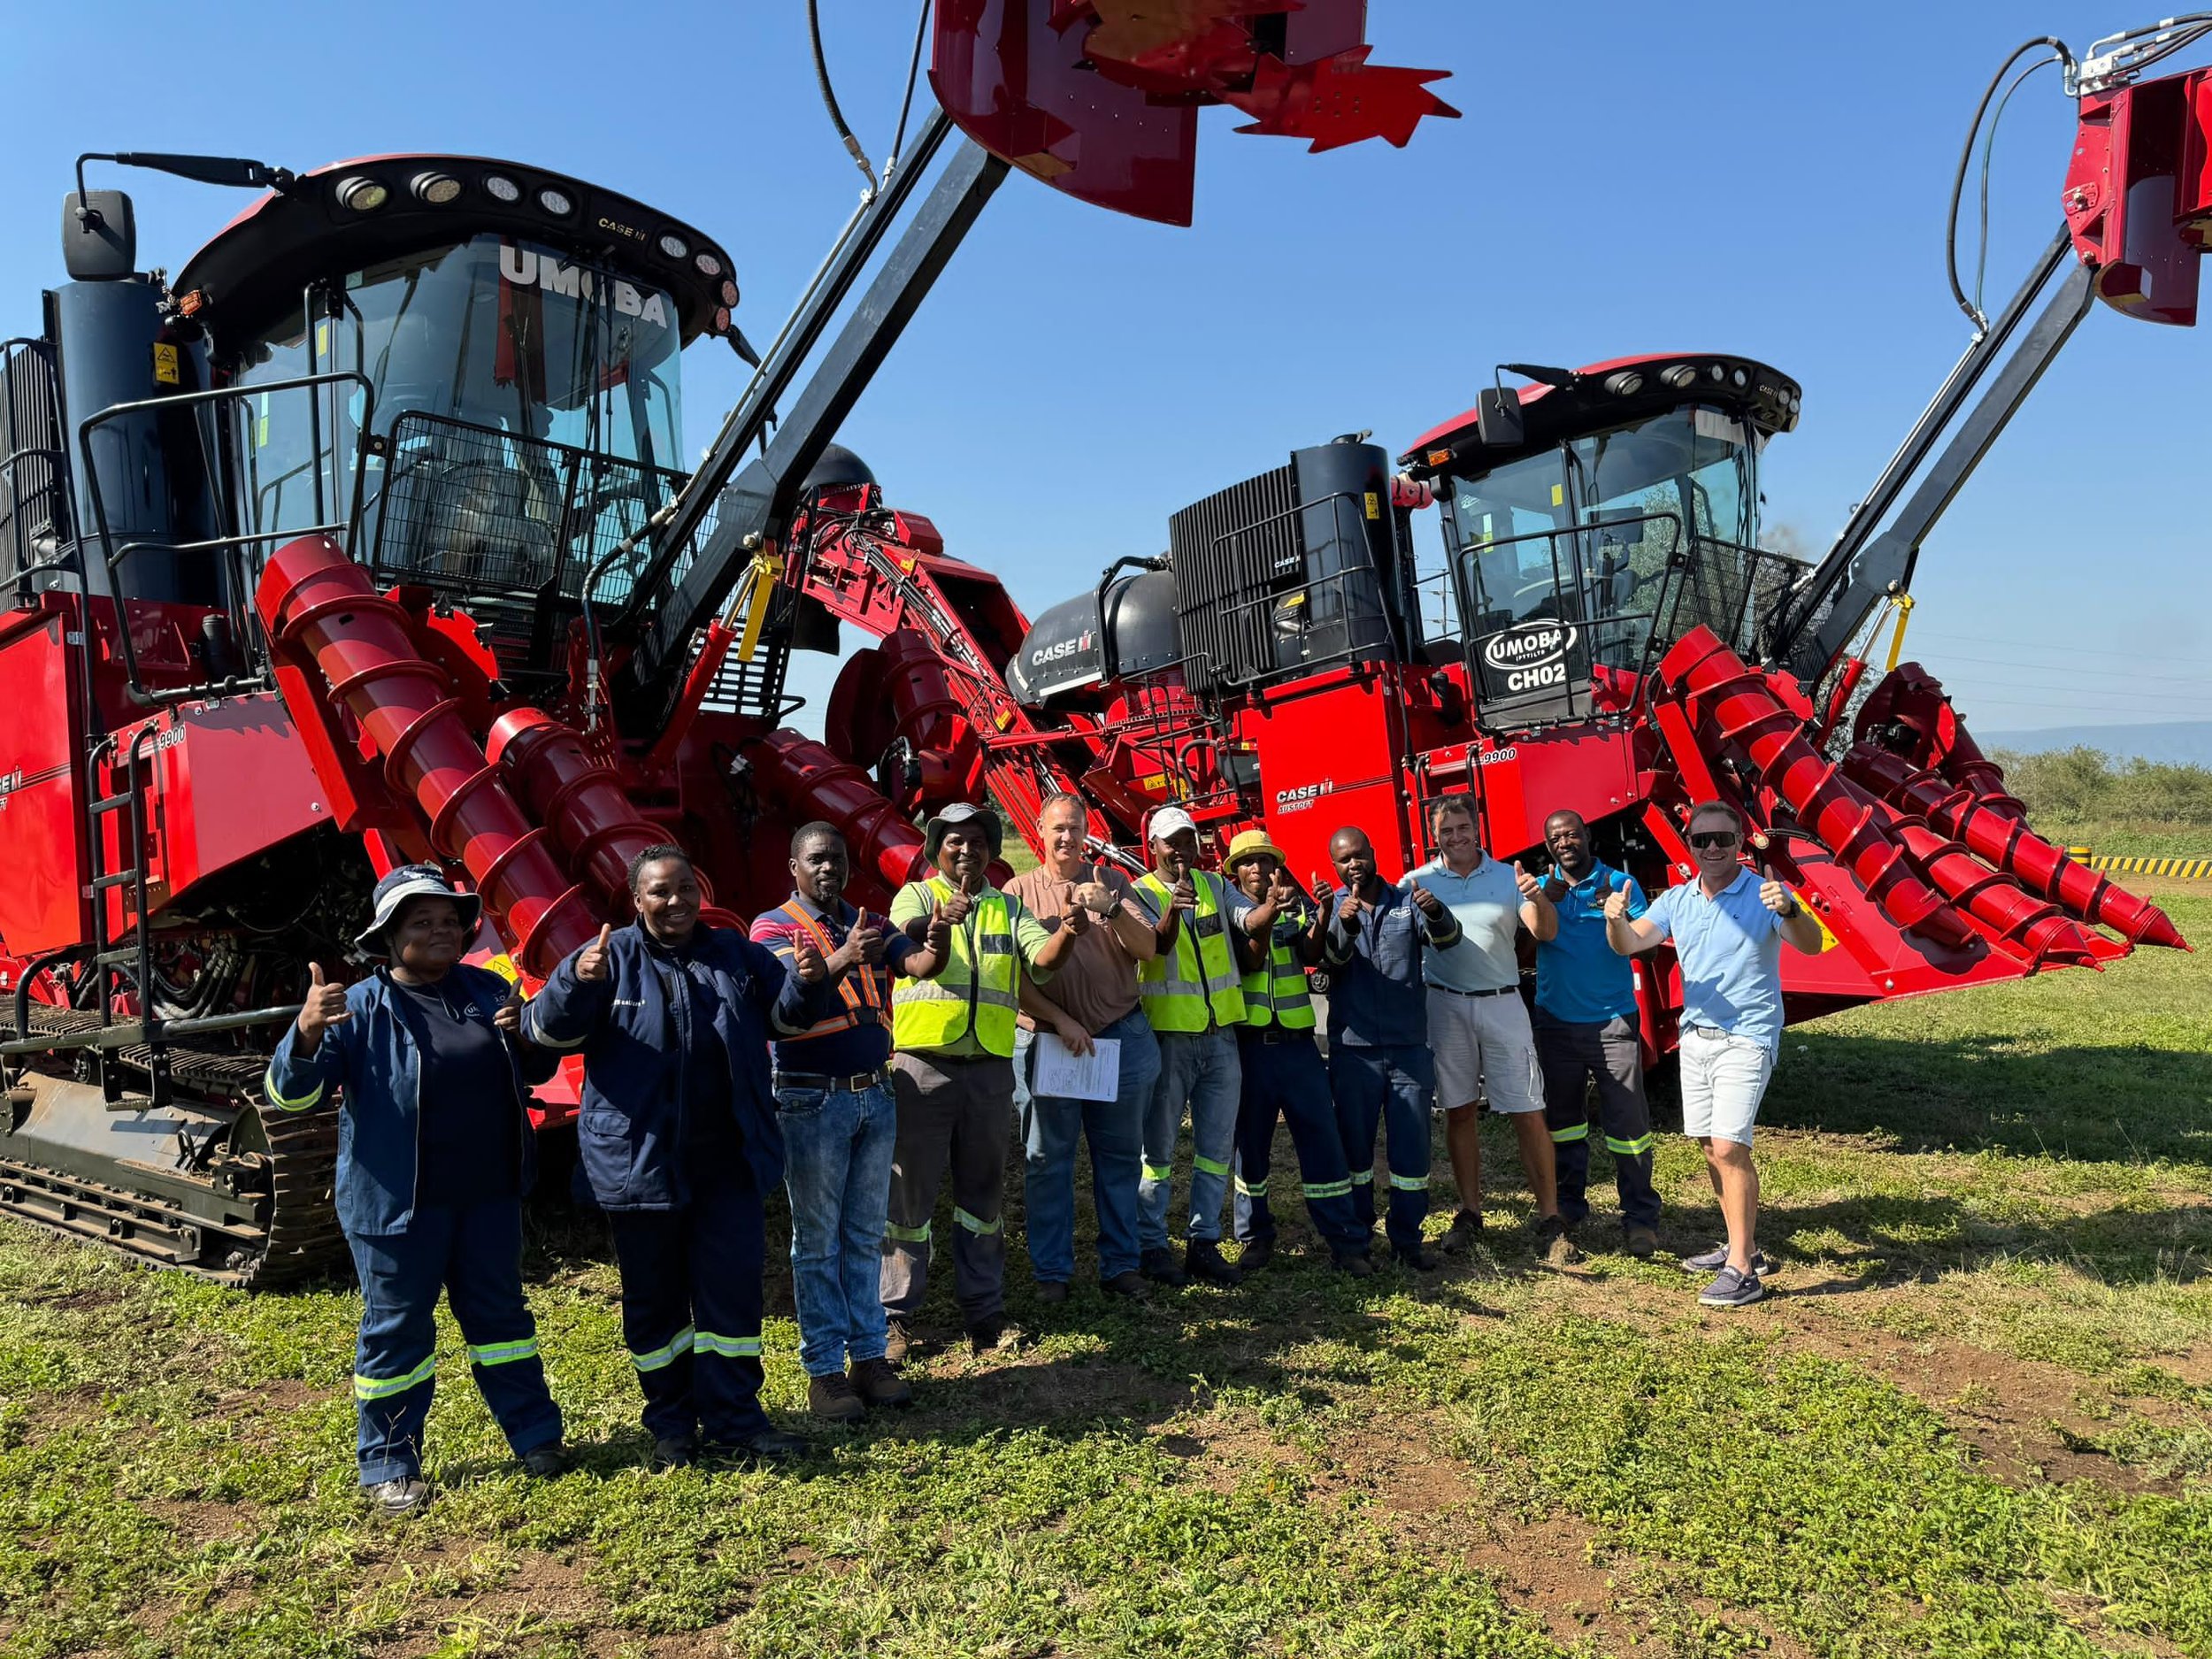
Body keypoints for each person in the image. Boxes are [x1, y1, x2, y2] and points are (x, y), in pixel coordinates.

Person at [265, 864, 565, 1517]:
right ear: (389, 935)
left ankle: (537, 1437)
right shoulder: (359, 1007)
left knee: (503, 1322)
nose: (441, 929)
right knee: (398, 1330)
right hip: (397, 1205)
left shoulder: (488, 990)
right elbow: (291, 1097)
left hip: (487, 1196)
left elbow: (538, 1066)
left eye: (450, 919)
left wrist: (526, 1030)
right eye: (421, 920)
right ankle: (389, 1463)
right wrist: (307, 1031)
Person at [527, 845, 832, 1468]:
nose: (676, 902)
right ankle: (671, 1425)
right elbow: (544, 1034)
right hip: (641, 1166)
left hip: (728, 1162)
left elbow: (785, 1018)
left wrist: (806, 981)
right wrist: (572, 984)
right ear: (637, 901)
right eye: (660, 892)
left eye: (686, 889)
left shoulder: (733, 954)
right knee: (655, 1303)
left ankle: (737, 1421)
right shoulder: (606, 958)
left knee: (732, 1301)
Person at [751, 823, 950, 1423]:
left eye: (836, 858)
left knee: (865, 1234)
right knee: (817, 1242)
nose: (828, 868)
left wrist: (937, 942)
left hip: (874, 1094)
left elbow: (915, 962)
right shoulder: (772, 926)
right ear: (794, 866)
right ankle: (823, 1372)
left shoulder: (866, 920)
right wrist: (841, 957)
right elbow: (790, 1002)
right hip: (812, 1100)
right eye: (816, 859)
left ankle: (868, 1356)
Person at [1604, 801, 1826, 1307]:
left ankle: (1743, 1271)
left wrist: (1790, 909)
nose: (1712, 849)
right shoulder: (1678, 900)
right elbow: (1629, 944)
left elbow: (1812, 946)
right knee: (1709, 1146)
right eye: (1701, 840)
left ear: (1741, 841)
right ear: (1689, 845)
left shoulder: (1767, 893)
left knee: (1729, 1147)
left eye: (1723, 839)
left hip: (1748, 1036)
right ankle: (1741, 1243)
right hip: (1697, 1037)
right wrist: (1614, 921)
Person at [884, 802, 1077, 1356]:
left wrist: (1068, 928)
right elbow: (908, 937)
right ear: (935, 848)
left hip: (989, 1072)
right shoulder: (917, 896)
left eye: (977, 841)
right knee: (908, 1199)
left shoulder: (1006, 907)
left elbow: (1042, 961)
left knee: (982, 1198)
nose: (966, 850)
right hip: (923, 1069)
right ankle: (894, 1316)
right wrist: (941, 922)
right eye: (953, 841)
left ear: (992, 850)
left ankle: (985, 1312)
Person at [1006, 793, 1162, 1304]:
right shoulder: (1018, 891)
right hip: (1051, 1042)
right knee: (1048, 1159)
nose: (1067, 838)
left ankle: (1120, 1264)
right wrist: (1060, 1018)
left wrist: (1112, 908)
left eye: (1075, 828)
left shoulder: (1113, 882)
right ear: (1040, 832)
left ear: (1086, 832)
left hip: (1118, 1036)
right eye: (1057, 829)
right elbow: (1011, 978)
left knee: (1118, 1157)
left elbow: (1149, 950)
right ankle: (1052, 1272)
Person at [1401, 795, 1569, 1263]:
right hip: (1446, 1006)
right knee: (1459, 1112)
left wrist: (1534, 896)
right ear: (1434, 835)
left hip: (1502, 1002)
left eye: (1462, 828)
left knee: (1527, 1109)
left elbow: (1546, 932)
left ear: (1477, 828)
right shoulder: (1415, 881)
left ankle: (1550, 1216)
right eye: (1445, 830)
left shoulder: (1506, 876)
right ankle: (1470, 1211)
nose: (1455, 837)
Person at [1128, 805, 1278, 1288]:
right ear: (1154, 847)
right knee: (1159, 1150)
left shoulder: (1215, 886)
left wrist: (1270, 908)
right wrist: (1174, 904)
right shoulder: (1138, 894)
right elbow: (1156, 947)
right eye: (1171, 842)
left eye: (1188, 840)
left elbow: (1247, 919)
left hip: (1221, 1040)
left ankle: (1203, 1242)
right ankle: (1152, 1244)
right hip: (1170, 1039)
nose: (1181, 850)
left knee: (1215, 1148)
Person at [1222, 830, 1373, 1277]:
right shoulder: (1229, 910)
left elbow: (1311, 953)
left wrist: (1322, 912)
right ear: (1234, 872)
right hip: (1250, 1048)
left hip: (1297, 1047)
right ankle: (1255, 1237)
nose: (1258, 869)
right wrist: (1271, 910)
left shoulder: (1297, 903)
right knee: (1250, 1147)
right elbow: (1249, 958)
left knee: (1321, 1140)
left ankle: (1345, 1240)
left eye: (1265, 861)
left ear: (1276, 865)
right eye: (1247, 863)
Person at [1320, 825, 1462, 1269]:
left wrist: (1435, 911)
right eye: (1344, 859)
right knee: (1355, 1151)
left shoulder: (1406, 900)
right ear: (1336, 866)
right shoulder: (1332, 910)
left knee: (1411, 1148)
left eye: (1359, 854)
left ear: (1374, 853)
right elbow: (1332, 961)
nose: (1353, 864)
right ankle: (1357, 1239)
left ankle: (1407, 1240)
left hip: (1407, 1049)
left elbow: (1448, 940)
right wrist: (1342, 924)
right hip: (1353, 1050)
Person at [1532, 809, 1661, 1258]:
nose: (1565, 842)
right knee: (1564, 1125)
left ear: (1587, 836)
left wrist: (1616, 916)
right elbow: (1523, 943)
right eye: (1555, 838)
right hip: (1556, 1023)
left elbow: (1643, 941)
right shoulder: (1540, 887)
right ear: (1548, 846)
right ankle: (1569, 1205)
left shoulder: (1620, 885)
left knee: (1629, 1126)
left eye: (1571, 834)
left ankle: (1640, 1218)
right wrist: (1539, 901)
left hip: (1613, 1022)